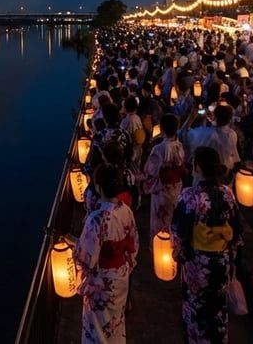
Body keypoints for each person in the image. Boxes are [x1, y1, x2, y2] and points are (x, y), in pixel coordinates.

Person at [172, 147, 244, 344]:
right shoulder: (228, 194)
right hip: (221, 260)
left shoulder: (189, 196)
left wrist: (178, 253)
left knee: (195, 308)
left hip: (197, 263)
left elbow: (178, 233)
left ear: (196, 167)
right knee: (216, 308)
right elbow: (236, 229)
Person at [75, 164, 139, 344]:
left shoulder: (96, 219)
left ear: (99, 187)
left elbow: (85, 258)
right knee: (116, 321)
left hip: (101, 280)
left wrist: (75, 248)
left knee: (97, 327)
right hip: (120, 275)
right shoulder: (126, 210)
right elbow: (133, 243)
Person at [144, 114, 187, 236]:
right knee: (172, 220)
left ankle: (159, 247)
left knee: (160, 222)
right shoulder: (180, 146)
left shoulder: (159, 148)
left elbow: (150, 170)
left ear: (161, 129)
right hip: (176, 186)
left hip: (162, 188)